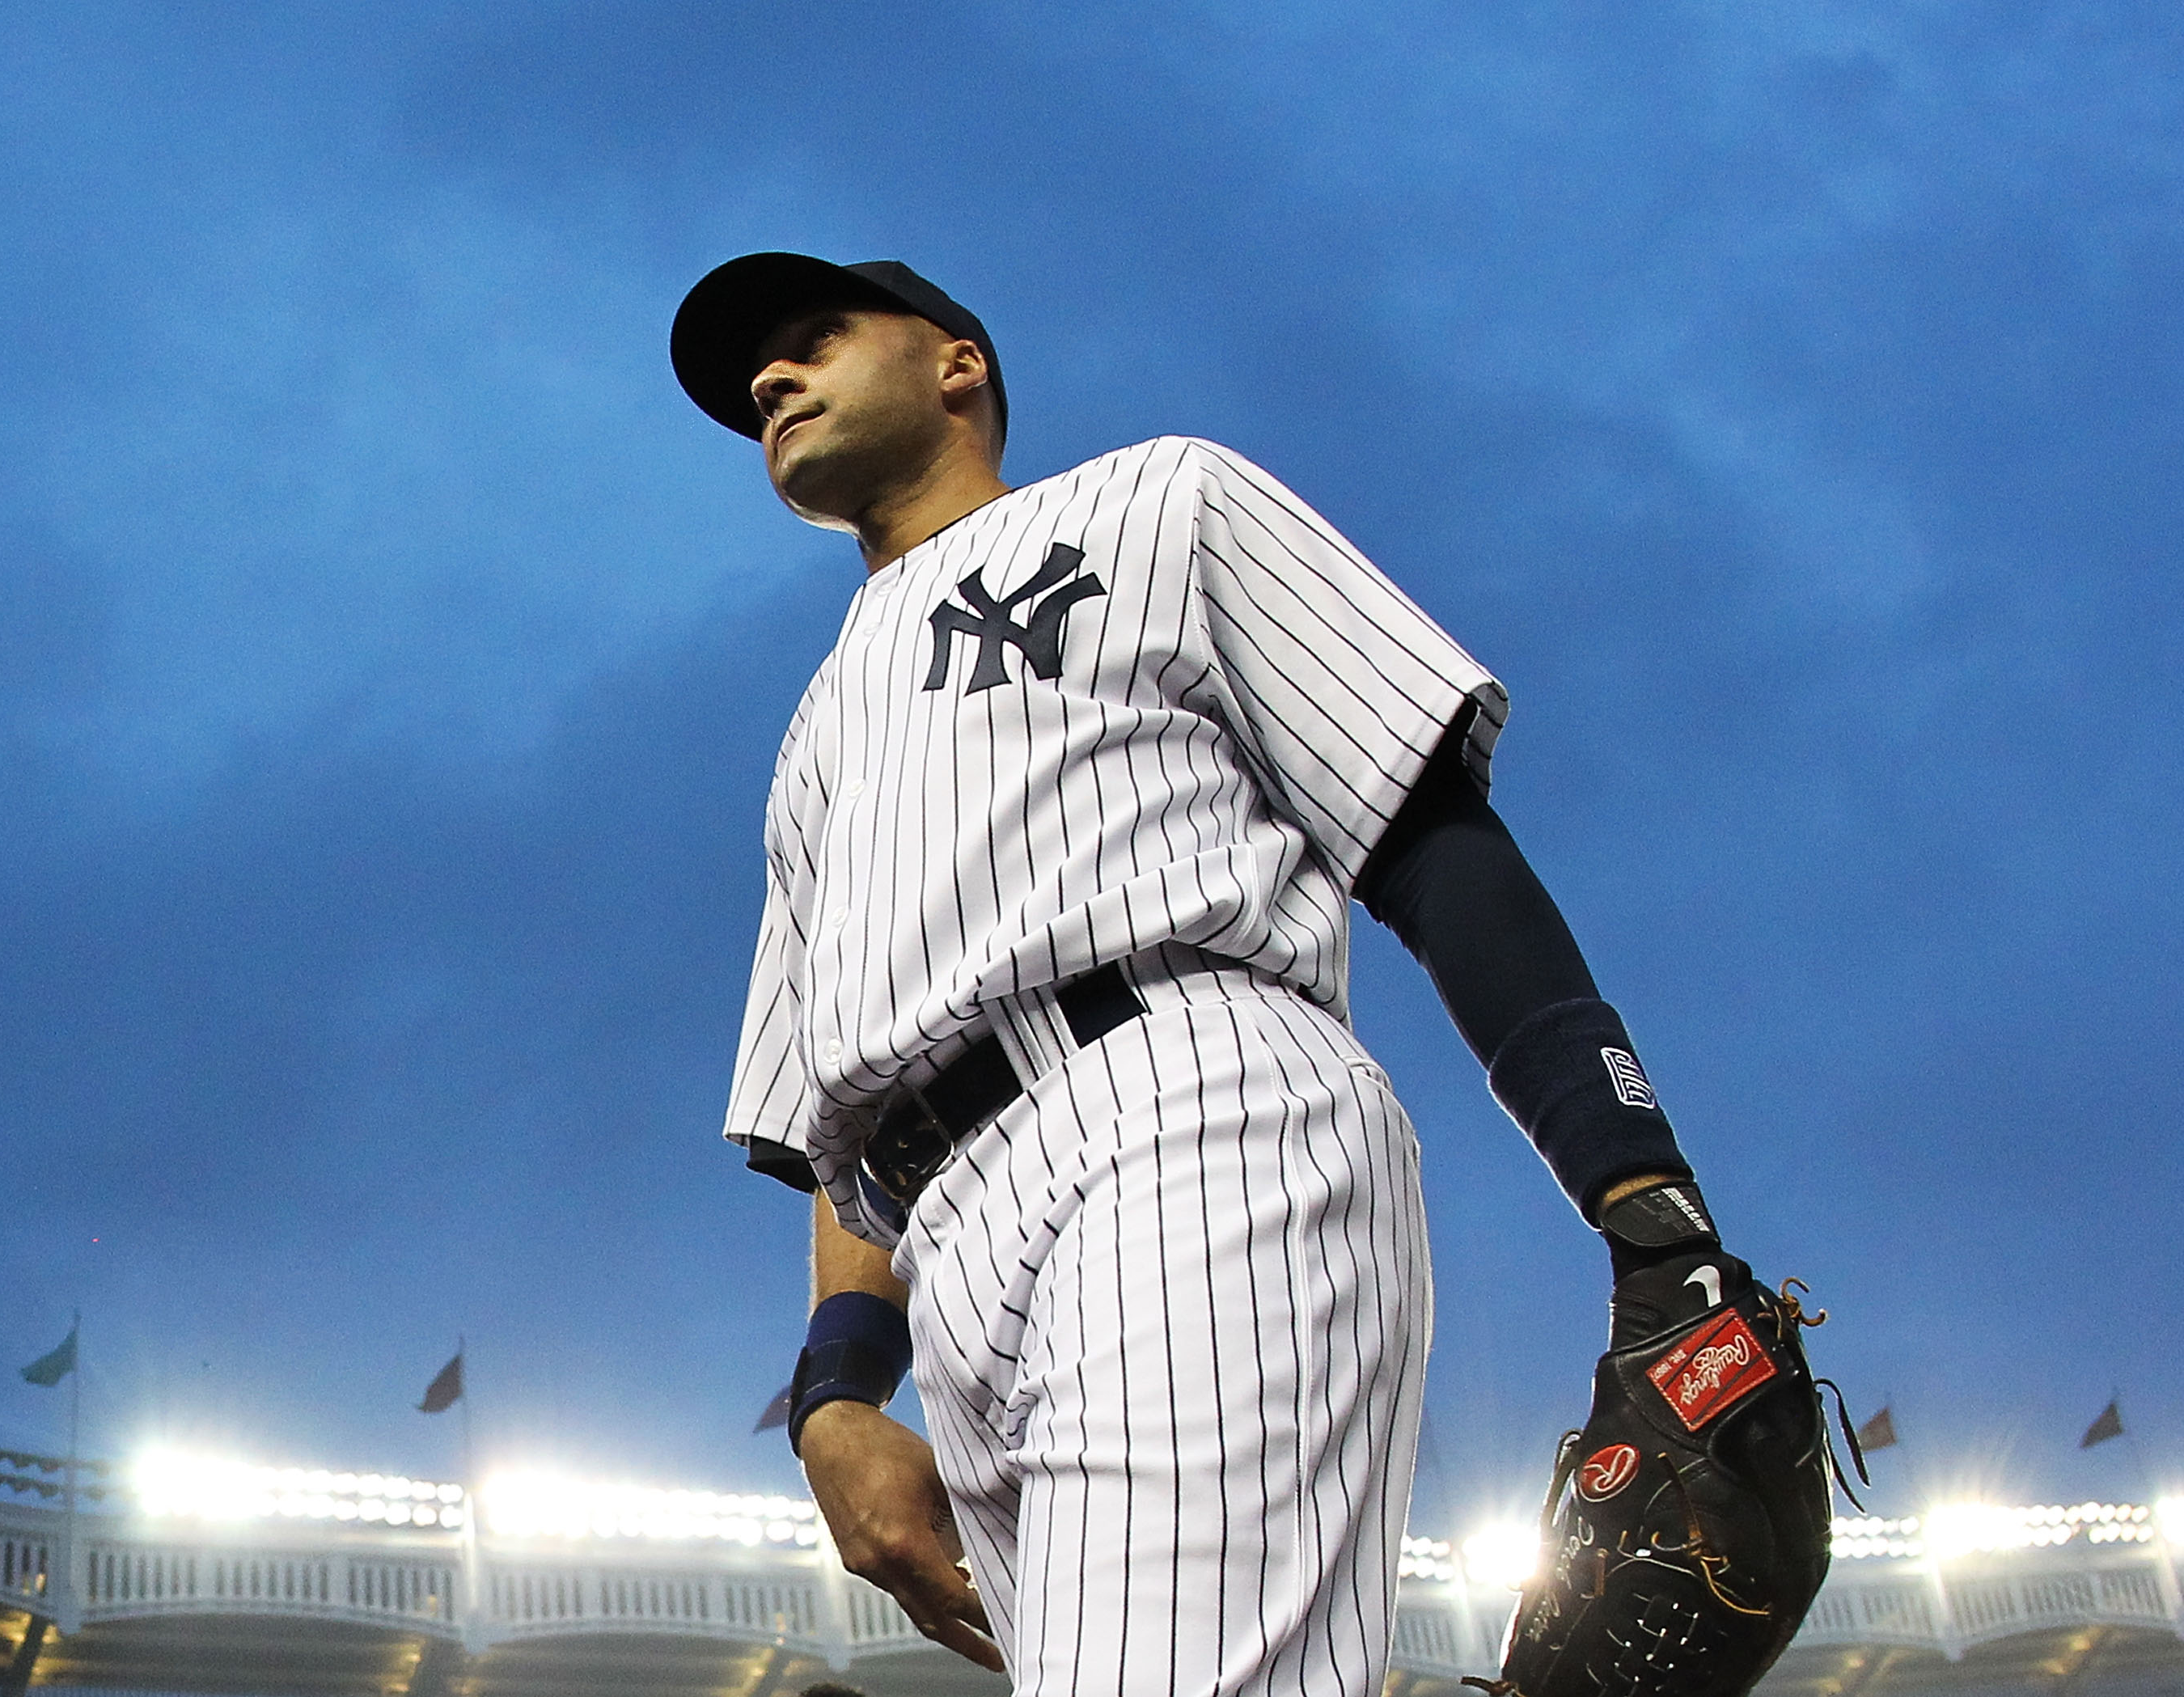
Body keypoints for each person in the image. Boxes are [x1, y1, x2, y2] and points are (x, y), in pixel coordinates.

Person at [671, 253, 1730, 1695]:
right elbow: (839, 1106)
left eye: (813, 338)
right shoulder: (806, 747)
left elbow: (1423, 835)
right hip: (947, 1235)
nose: (769, 381)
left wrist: (1643, 1199)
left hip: (1186, 1106)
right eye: (754, 378)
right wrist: (835, 1397)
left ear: (956, 364)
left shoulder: (1160, 498)